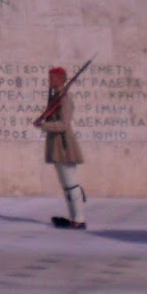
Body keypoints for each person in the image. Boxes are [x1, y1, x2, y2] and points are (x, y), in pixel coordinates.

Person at [39, 65, 86, 230]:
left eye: (52, 78)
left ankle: (79, 219)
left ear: (60, 79)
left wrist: (45, 126)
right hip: (56, 144)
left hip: (64, 144)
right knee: (66, 184)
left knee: (71, 183)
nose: (50, 81)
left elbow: (64, 125)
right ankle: (74, 217)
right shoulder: (56, 97)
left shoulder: (64, 99)